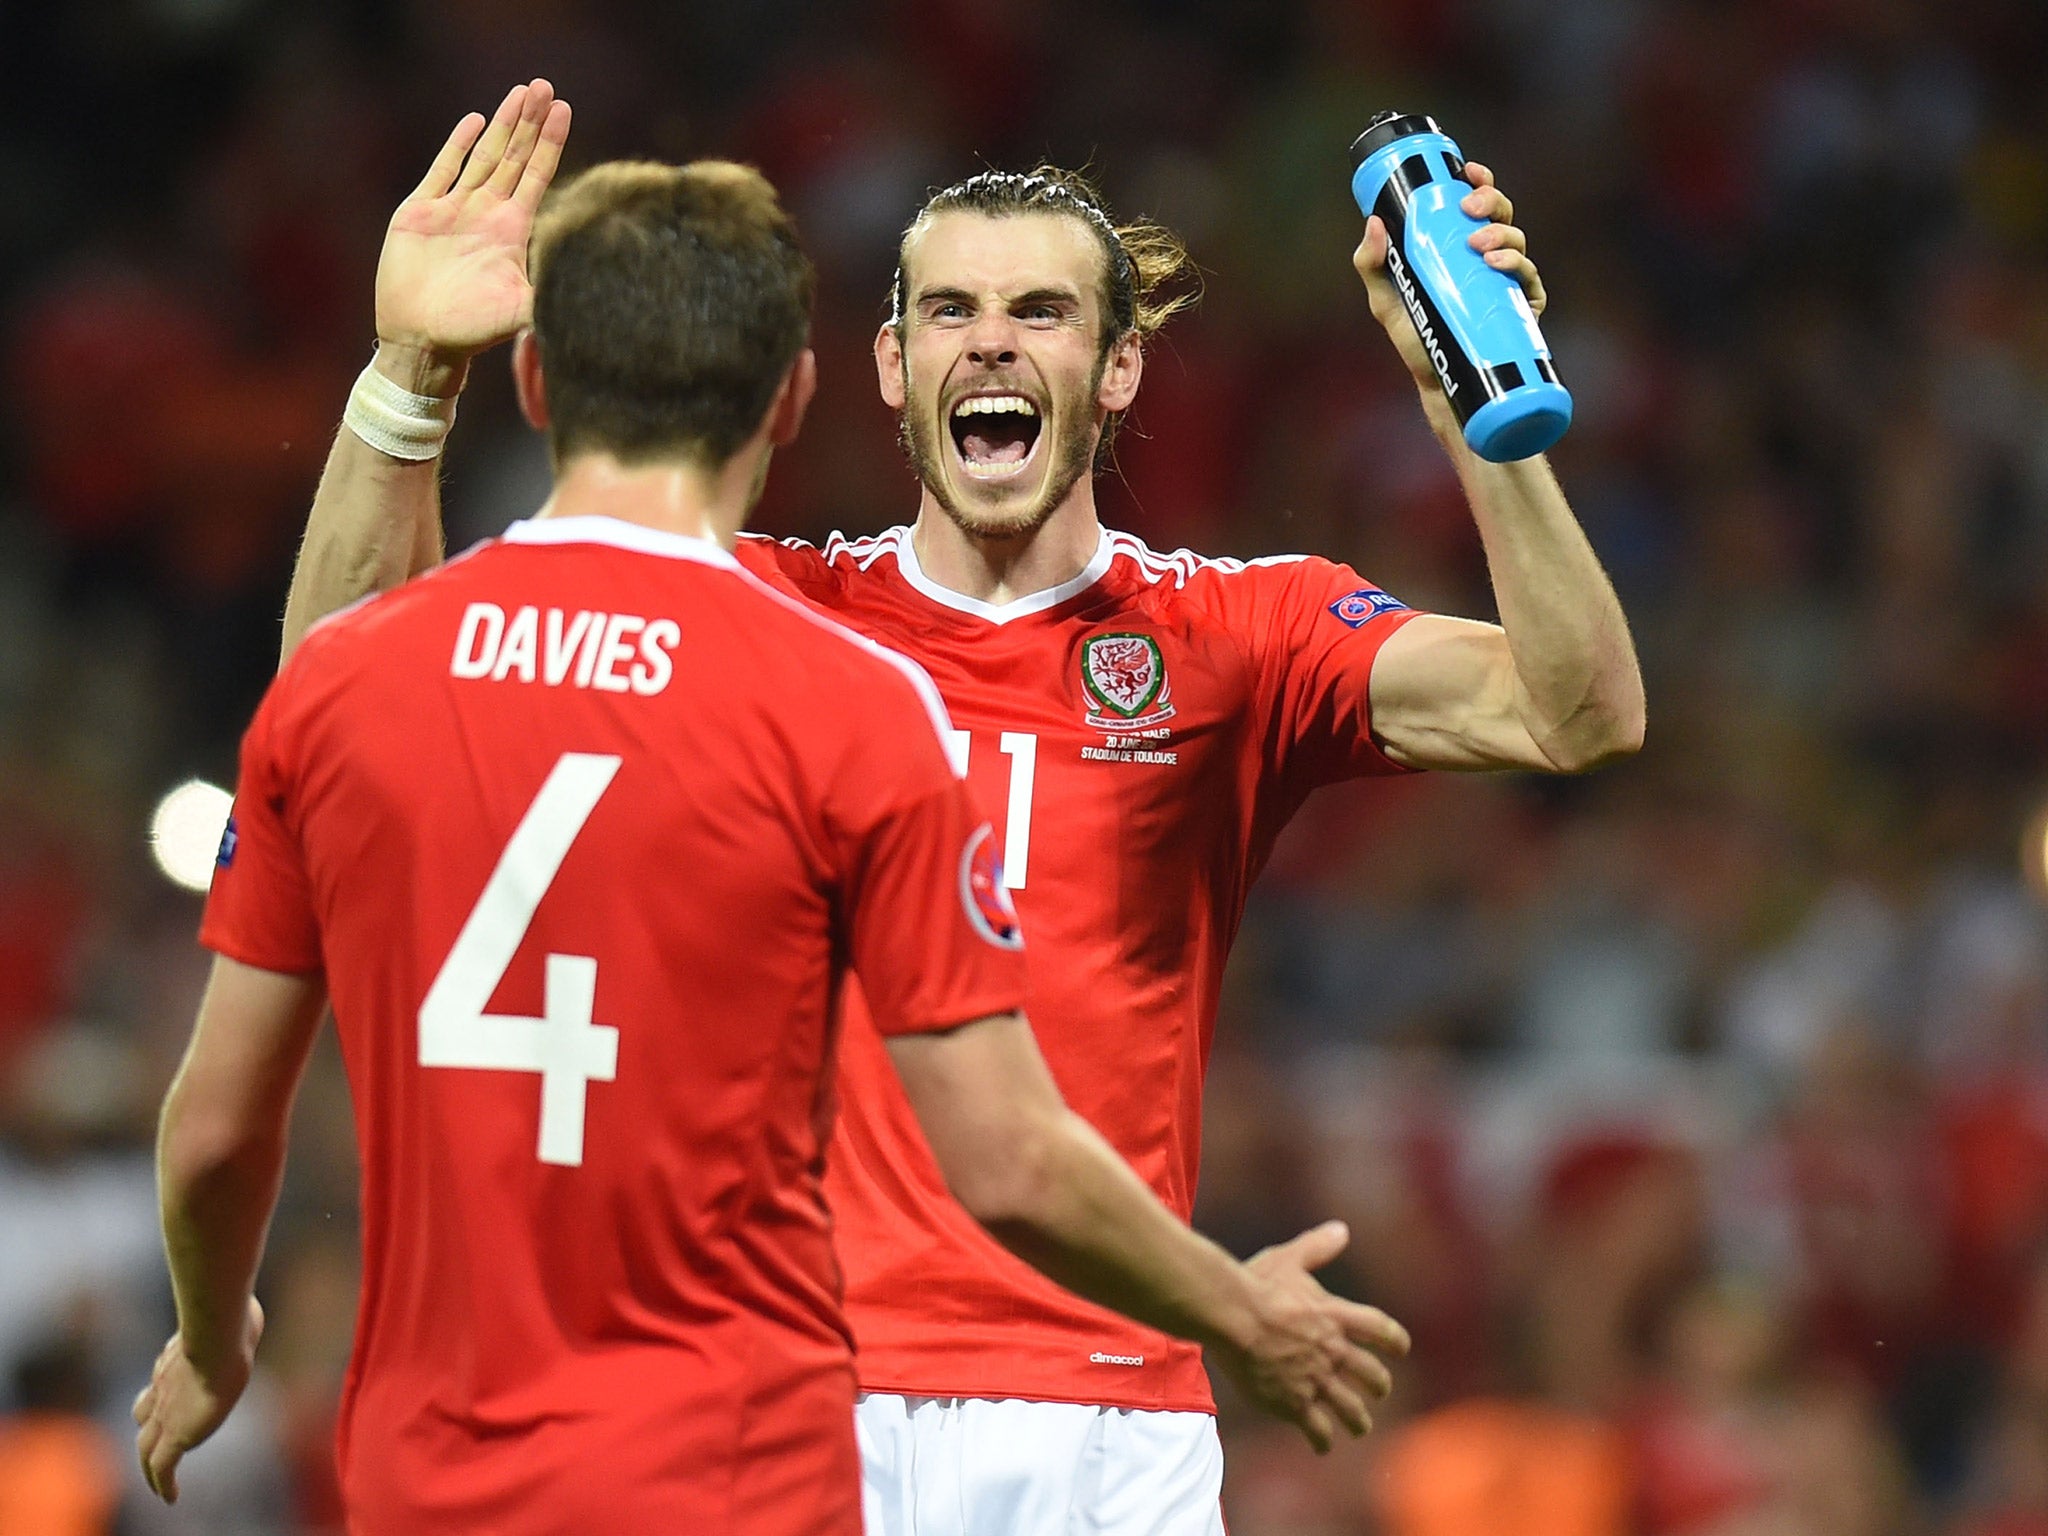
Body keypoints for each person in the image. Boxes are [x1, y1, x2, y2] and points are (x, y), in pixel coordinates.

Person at [286, 79, 1642, 1536]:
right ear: (889, 364)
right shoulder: (760, 609)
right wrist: (407, 379)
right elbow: (344, 683)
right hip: (799, 1390)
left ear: (1119, 370)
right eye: (949, 312)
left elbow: (1578, 710)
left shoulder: (1240, 635)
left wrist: (1467, 402)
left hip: (1115, 1418)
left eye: (1042, 313)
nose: (991, 338)